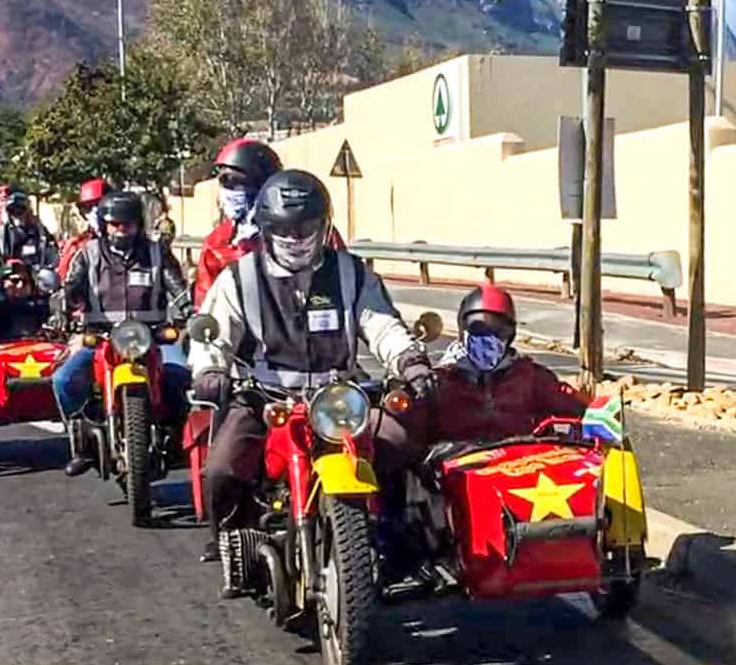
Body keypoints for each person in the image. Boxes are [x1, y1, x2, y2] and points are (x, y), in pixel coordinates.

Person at [190, 169, 435, 591]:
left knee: (404, 445)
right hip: (265, 397)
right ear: (267, 228)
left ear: (324, 225)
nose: (296, 237)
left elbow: (380, 324)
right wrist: (211, 369)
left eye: (305, 226)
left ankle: (403, 542)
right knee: (223, 469)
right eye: (285, 228)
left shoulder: (351, 273)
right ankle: (234, 541)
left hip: (340, 397)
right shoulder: (239, 278)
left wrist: (409, 358)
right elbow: (217, 332)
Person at [54, 190, 192, 476]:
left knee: (182, 376)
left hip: (151, 336)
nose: (120, 229)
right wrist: (62, 310)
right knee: (64, 380)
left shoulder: (156, 253)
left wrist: (190, 311)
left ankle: (179, 439)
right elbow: (71, 288)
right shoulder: (88, 254)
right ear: (104, 225)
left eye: (127, 223)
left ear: (138, 224)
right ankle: (82, 443)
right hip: (101, 337)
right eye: (114, 224)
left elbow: (177, 287)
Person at [191, 139, 349, 308]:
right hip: (247, 329)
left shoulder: (316, 231)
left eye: (234, 181)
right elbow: (206, 306)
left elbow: (345, 279)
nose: (228, 191)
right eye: (224, 182)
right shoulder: (218, 244)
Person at [428, 284, 588, 442]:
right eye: (478, 327)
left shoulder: (529, 376)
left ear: (510, 335)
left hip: (522, 463)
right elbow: (411, 433)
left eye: (498, 330)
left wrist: (598, 414)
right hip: (458, 464)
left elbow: (576, 405)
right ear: (463, 329)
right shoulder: (439, 381)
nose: (488, 338)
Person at [57, 178, 107, 288]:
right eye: (87, 207)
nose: (94, 212)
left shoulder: (137, 246)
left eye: (98, 204)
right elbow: (64, 284)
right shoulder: (77, 246)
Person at [0, 188, 57, 269]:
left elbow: (51, 250)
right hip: (8, 272)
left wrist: (49, 266)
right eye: (13, 210)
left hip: (35, 272)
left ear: (28, 211)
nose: (17, 213)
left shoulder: (39, 229)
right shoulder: (2, 231)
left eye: (21, 209)